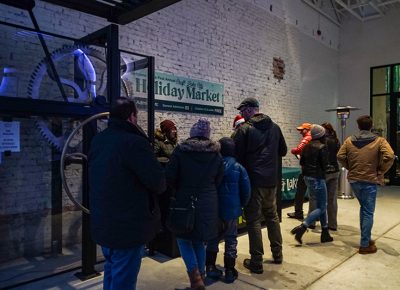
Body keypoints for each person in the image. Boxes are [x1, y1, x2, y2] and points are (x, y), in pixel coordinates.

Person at [88, 97, 166, 290]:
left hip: (103, 221)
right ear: (132, 117)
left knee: (112, 271)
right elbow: (158, 183)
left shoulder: (98, 140)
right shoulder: (135, 143)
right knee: (123, 280)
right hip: (127, 226)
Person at [166, 118, 224, 290]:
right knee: (199, 241)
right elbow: (219, 179)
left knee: (183, 239)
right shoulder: (216, 154)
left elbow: (170, 177)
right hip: (208, 202)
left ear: (192, 134)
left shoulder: (180, 151)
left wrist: (179, 190)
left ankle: (196, 279)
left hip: (185, 201)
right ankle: (201, 276)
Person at [233, 97, 287, 273]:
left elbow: (236, 154)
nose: (241, 114)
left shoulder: (244, 130)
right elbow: (283, 151)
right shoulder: (275, 128)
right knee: (272, 216)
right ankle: (278, 254)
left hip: (253, 181)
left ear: (250, 110)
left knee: (254, 220)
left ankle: (257, 261)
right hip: (271, 181)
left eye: (242, 110)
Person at [337, 115, 394, 254]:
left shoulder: (349, 140)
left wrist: (350, 167)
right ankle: (364, 244)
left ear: (358, 126)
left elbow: (340, 156)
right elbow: (390, 156)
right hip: (370, 179)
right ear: (371, 125)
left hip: (354, 180)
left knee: (364, 209)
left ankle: (366, 238)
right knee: (368, 211)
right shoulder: (379, 141)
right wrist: (381, 170)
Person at [205, 137, 251, 283]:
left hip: (214, 210)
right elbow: (246, 190)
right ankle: (230, 270)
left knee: (212, 238)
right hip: (231, 210)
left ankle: (210, 267)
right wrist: (241, 204)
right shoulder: (239, 167)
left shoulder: (212, 166)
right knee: (231, 239)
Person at [290, 124, 334, 244]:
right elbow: (325, 166)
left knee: (320, 204)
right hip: (318, 178)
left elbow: (302, 162)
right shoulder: (322, 147)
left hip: (307, 177)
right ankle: (303, 227)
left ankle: (325, 233)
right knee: (322, 206)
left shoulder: (306, 146)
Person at [287, 122, 312, 220]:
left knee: (300, 192)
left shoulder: (307, 138)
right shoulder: (315, 138)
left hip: (306, 169)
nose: (300, 132)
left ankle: (298, 212)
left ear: (307, 129)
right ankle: (316, 214)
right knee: (314, 194)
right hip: (315, 170)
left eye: (302, 130)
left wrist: (293, 151)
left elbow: (297, 149)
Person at [321, 122, 340, 231]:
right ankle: (333, 224)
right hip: (335, 170)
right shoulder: (336, 140)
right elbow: (339, 154)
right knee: (332, 199)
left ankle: (315, 222)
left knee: (319, 199)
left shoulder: (322, 141)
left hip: (324, 172)